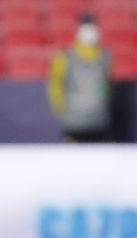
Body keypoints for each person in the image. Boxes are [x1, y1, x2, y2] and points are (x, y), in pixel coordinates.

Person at [47, 13, 112, 143]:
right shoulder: (64, 56)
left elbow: (108, 85)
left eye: (92, 27)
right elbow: (55, 85)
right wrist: (60, 108)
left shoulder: (105, 56)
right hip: (73, 122)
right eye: (85, 27)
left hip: (98, 121)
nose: (89, 32)